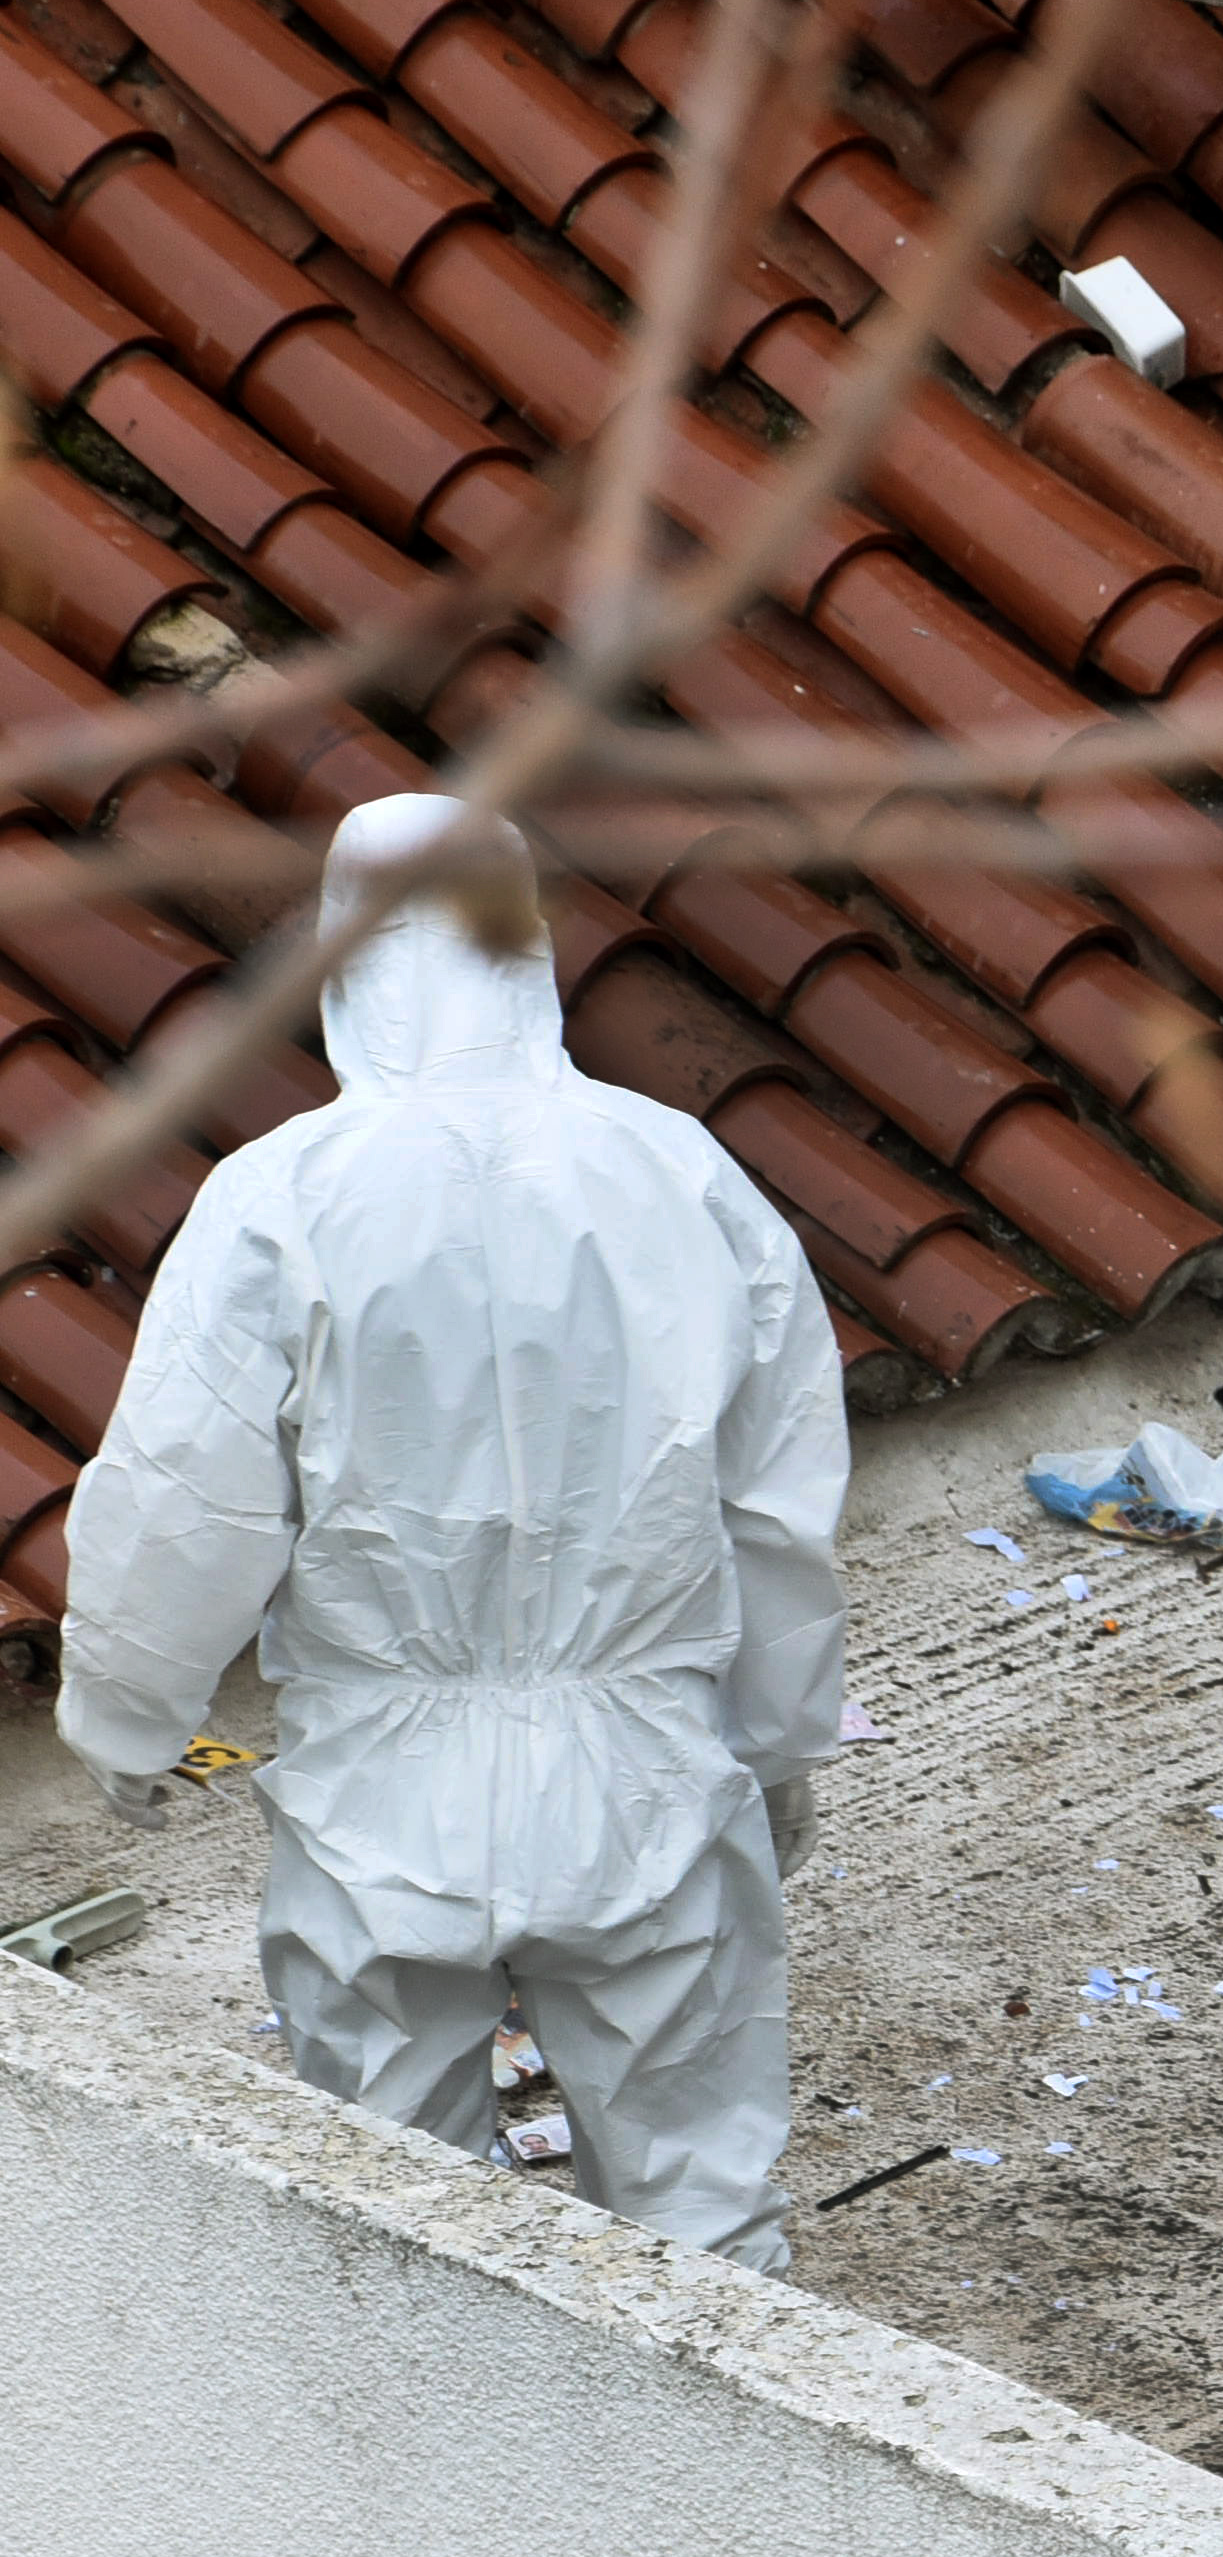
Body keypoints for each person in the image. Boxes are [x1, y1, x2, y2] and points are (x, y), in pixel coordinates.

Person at [59, 791, 848, 2267]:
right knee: (702, 2205)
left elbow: (182, 1497)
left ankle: (421, 2420)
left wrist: (125, 1716)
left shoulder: (279, 1197)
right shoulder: (680, 1170)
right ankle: (707, 2425)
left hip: (382, 1787)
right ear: (531, 945)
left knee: (394, 2220)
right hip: (644, 1767)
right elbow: (777, 1502)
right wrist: (784, 1734)